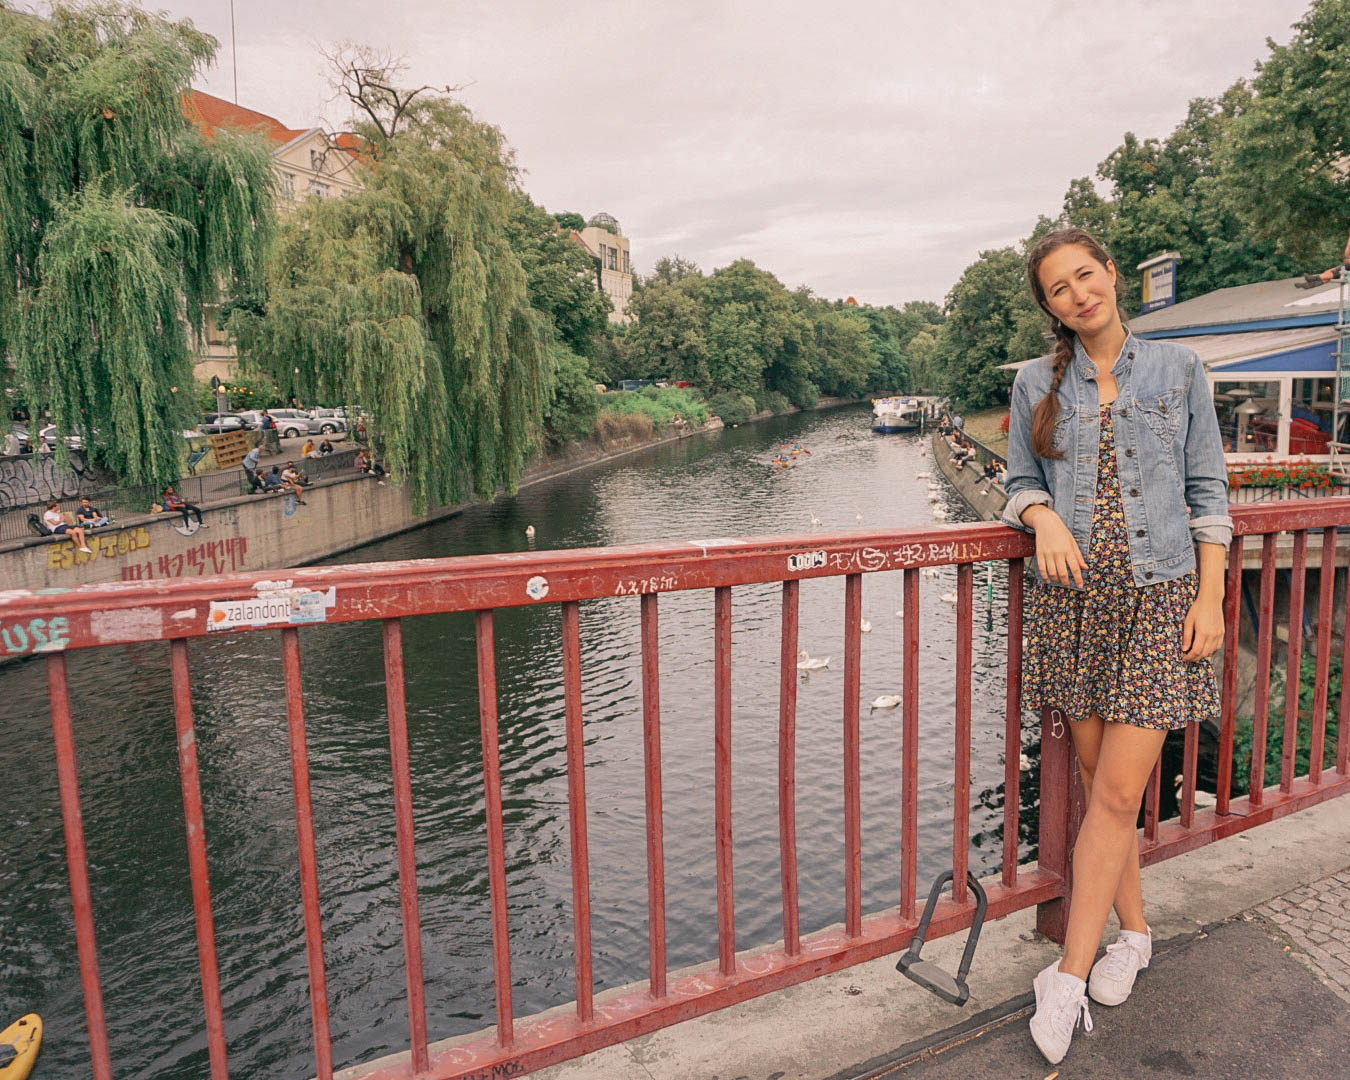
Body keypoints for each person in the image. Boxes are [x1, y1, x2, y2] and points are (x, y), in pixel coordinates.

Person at [1002, 228, 1229, 1066]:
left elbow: (1209, 491)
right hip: (1075, 607)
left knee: (1115, 793)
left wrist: (1208, 597)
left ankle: (1062, 980)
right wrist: (1042, 515)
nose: (1077, 294)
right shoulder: (1036, 383)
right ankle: (1134, 934)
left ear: (1110, 276)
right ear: (1050, 308)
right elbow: (1019, 477)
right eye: (1058, 289)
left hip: (1161, 600)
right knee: (1106, 790)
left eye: (1084, 276)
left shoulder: (1179, 370)